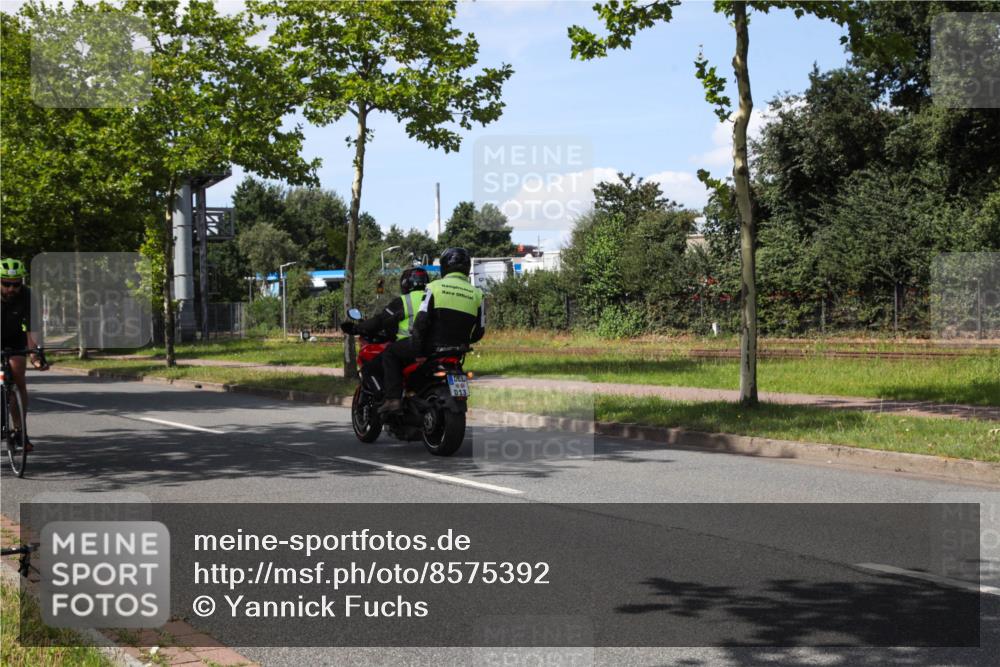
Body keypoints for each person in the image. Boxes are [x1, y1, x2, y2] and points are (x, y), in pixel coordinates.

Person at [379, 248, 485, 414]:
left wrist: (417, 344)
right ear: (467, 267)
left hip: (431, 347)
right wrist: (461, 342)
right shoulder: (478, 294)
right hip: (458, 350)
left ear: (444, 267)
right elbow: (479, 331)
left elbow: (422, 320)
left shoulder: (433, 287)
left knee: (390, 353)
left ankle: (393, 399)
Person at [341, 267, 430, 393]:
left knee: (371, 367)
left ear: (405, 283)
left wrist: (356, 328)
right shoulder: (433, 298)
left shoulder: (404, 301)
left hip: (408, 348)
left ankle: (391, 399)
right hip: (431, 349)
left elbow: (380, 320)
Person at [1, 258, 49, 451]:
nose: (12, 289)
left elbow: (33, 327)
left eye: (16, 284)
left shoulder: (28, 295)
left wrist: (36, 355)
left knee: (18, 376)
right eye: (6, 284)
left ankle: (20, 430)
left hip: (14, 339)